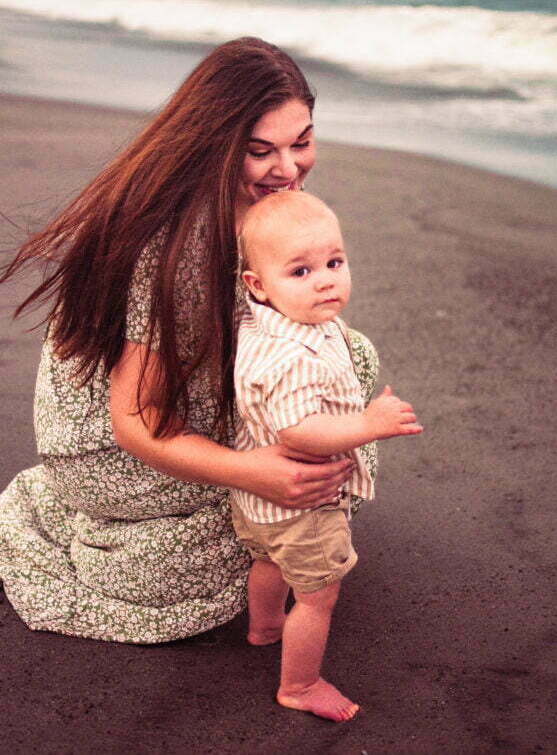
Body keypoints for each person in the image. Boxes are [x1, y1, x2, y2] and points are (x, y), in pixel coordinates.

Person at [0, 37, 379, 644]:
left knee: (345, 367)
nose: (288, 169)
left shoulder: (268, 206)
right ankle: (121, 540)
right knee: (293, 494)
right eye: (260, 152)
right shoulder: (173, 244)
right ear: (216, 144)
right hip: (112, 453)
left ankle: (259, 518)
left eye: (301, 142)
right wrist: (251, 473)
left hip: (189, 396)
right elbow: (132, 420)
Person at [233, 190, 423, 721]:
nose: (325, 279)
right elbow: (297, 431)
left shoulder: (265, 323)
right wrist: (368, 424)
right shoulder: (296, 355)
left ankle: (264, 626)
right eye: (300, 271)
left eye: (334, 262)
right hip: (304, 503)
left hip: (257, 498)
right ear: (258, 285)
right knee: (318, 596)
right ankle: (300, 683)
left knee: (266, 559)